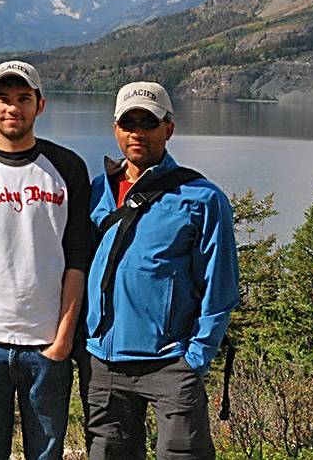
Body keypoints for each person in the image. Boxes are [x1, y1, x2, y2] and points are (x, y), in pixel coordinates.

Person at [0, 60, 92, 459]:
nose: (13, 108)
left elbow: (78, 258)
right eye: (3, 99)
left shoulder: (67, 168)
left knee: (46, 454)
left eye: (23, 98)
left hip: (46, 347)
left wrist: (62, 341)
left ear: (40, 105)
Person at [84, 81, 240, 459]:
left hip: (170, 363)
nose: (137, 132)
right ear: (116, 129)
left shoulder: (202, 199)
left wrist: (195, 358)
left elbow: (220, 289)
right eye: (128, 122)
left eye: (148, 123)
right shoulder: (97, 190)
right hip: (103, 362)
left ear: (168, 128)